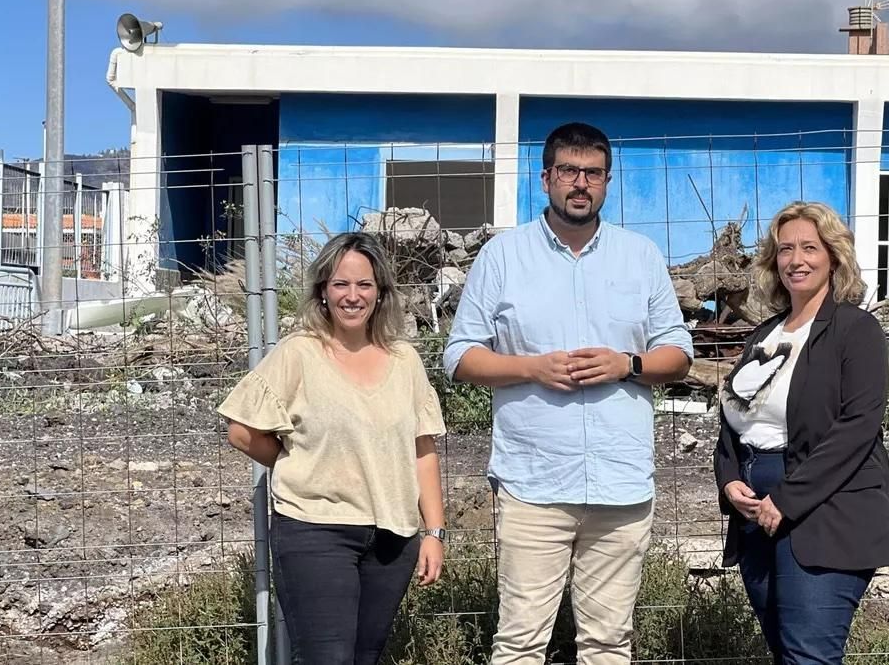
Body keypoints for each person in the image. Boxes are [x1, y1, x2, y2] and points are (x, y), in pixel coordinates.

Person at [444, 121, 694, 664]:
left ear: (607, 181)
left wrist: (626, 364)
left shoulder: (640, 256)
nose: (580, 184)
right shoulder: (503, 256)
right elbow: (460, 356)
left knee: (608, 644)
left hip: (620, 486)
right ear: (546, 179)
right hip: (534, 484)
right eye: (569, 172)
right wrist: (532, 368)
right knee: (519, 644)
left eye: (593, 173)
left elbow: (678, 353)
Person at [217, 232, 447, 665]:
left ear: (381, 293)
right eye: (341, 284)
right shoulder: (299, 353)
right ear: (323, 291)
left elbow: (423, 449)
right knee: (328, 658)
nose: (352, 296)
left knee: (366, 657)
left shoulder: (405, 361)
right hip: (315, 530)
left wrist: (433, 533)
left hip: (393, 537)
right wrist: (297, 462)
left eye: (364, 285)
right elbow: (242, 430)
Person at [713, 201, 889, 664]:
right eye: (785, 249)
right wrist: (729, 478)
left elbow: (858, 427)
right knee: (785, 651)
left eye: (810, 248)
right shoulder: (766, 334)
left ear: (833, 257)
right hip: (755, 513)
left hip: (825, 511)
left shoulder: (857, 331)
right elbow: (736, 417)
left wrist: (787, 499)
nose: (796, 260)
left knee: (808, 656)